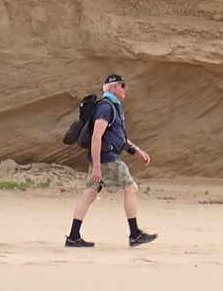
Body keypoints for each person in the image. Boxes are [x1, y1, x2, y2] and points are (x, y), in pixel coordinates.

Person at [66, 73, 156, 248]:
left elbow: (119, 137)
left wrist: (137, 151)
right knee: (131, 188)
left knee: (89, 194)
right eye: (122, 86)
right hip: (107, 159)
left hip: (102, 158)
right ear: (113, 88)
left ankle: (73, 237)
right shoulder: (106, 108)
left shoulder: (113, 107)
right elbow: (96, 138)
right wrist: (98, 168)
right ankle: (135, 234)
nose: (125, 89)